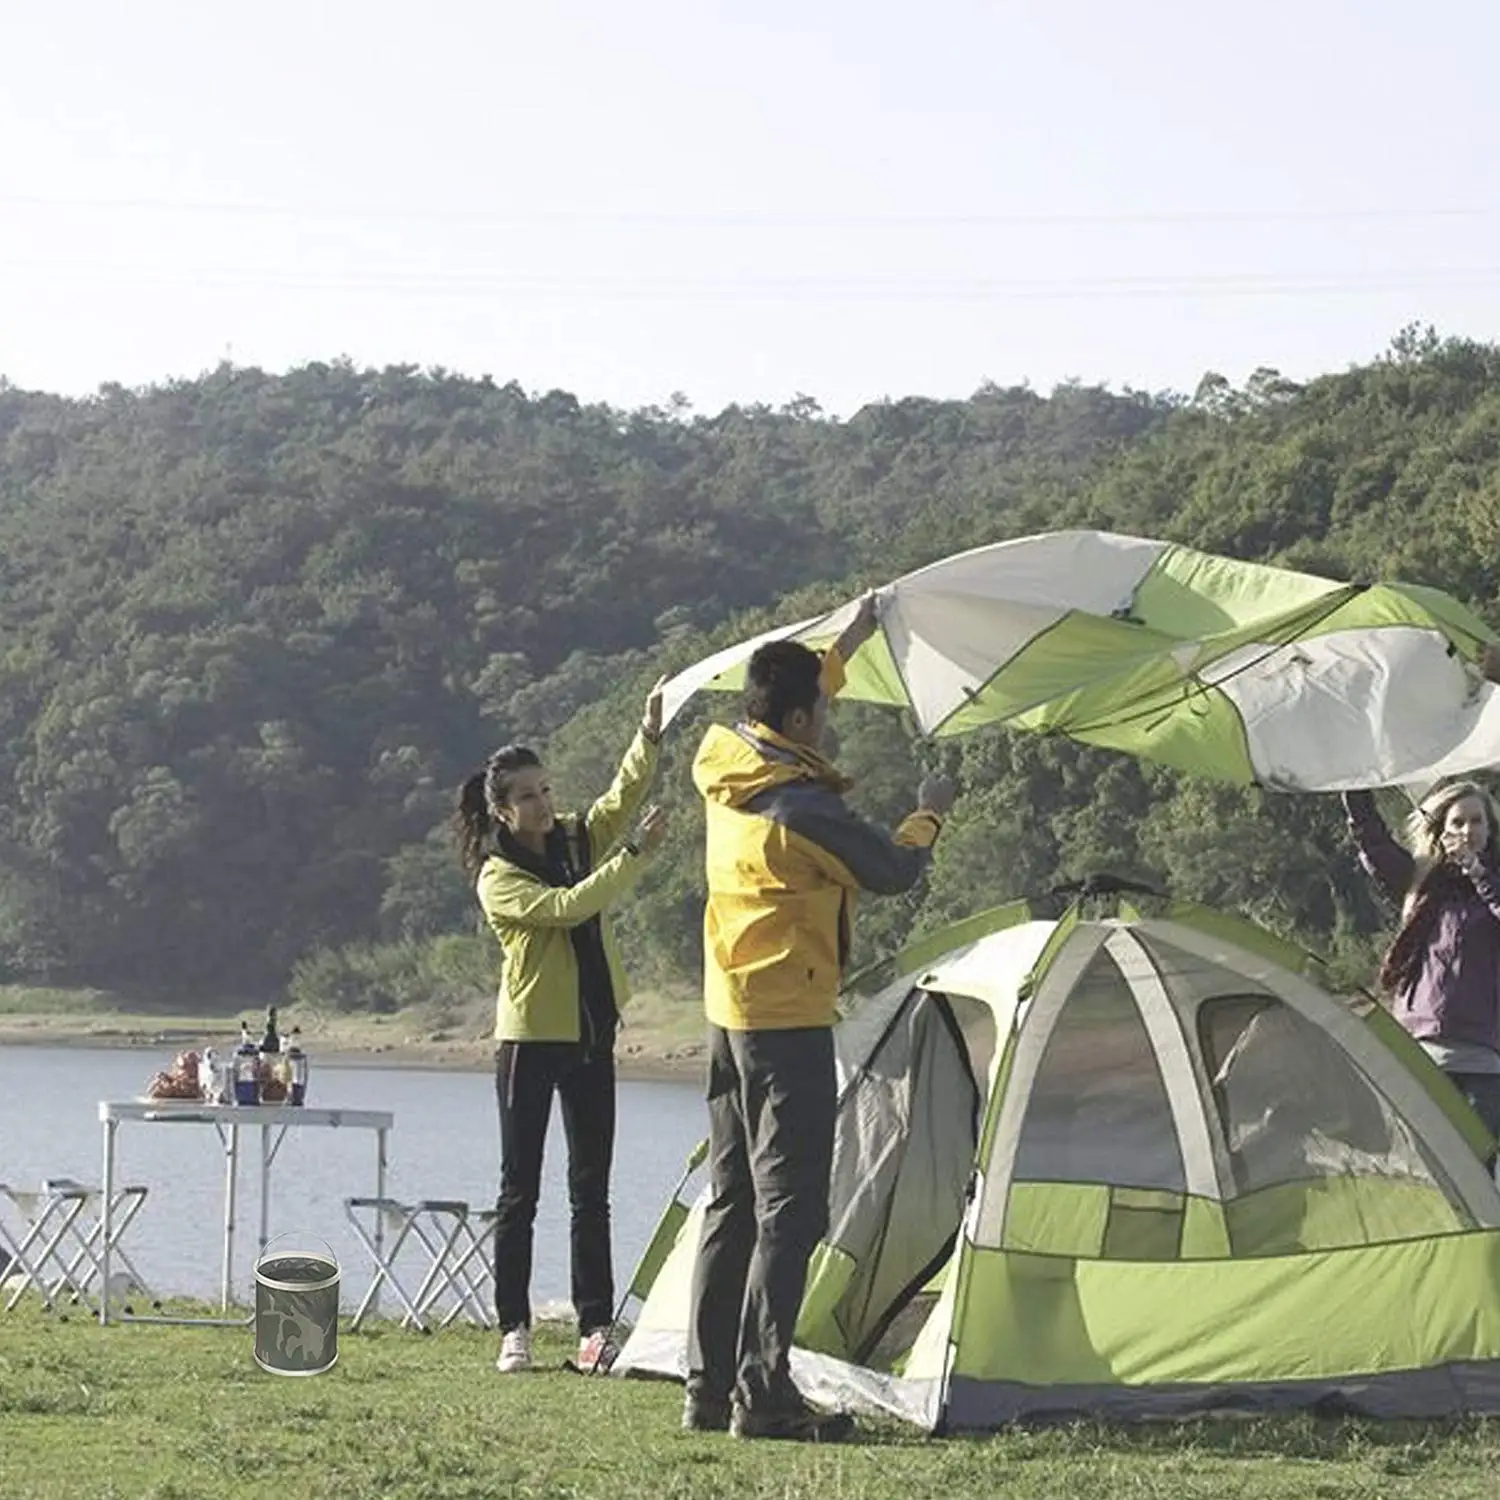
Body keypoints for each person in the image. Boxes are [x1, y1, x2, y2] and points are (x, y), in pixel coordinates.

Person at [683, 594, 956, 1442]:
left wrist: (849, 639)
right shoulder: (801, 808)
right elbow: (893, 870)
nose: (832, 715)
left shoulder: (729, 763)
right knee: (790, 1210)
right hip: (787, 1019)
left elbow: (794, 696)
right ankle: (763, 1398)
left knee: (731, 1198)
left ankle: (706, 1387)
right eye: (826, 705)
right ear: (801, 718)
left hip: (728, 1012)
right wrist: (932, 808)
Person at [453, 677, 670, 1376]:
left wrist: (650, 735)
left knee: (592, 1188)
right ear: (501, 809)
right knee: (520, 1188)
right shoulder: (497, 876)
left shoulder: (575, 835)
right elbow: (570, 907)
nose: (544, 805)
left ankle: (595, 1328)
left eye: (546, 790)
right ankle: (513, 1328)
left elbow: (617, 802)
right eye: (527, 796)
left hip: (591, 1034)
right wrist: (635, 855)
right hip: (528, 1042)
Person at [1343, 778, 1500, 1149]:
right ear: (1441, 830)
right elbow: (1374, 842)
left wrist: (1478, 873)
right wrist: (1353, 781)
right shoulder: (1421, 883)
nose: (1467, 831)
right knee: (1439, 1164)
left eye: (1477, 821)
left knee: (1484, 1162)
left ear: (1490, 829)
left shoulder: (1493, 884)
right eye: (1457, 823)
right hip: (1422, 1048)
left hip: (1483, 1056)